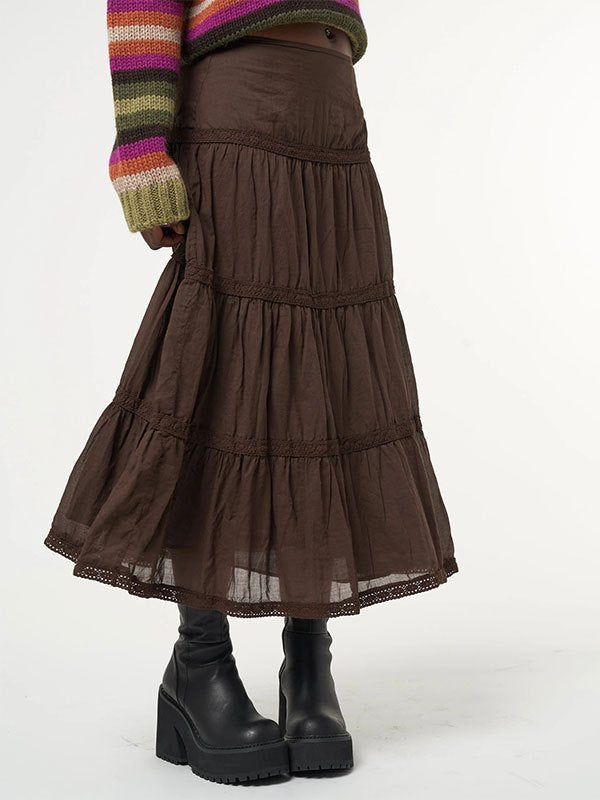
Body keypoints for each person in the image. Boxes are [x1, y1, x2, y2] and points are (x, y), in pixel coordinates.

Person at [44, 0, 459, 785]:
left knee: (328, 388)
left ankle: (309, 665)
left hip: (331, 110)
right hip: (241, 99)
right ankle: (200, 665)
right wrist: (141, 150)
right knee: (220, 376)